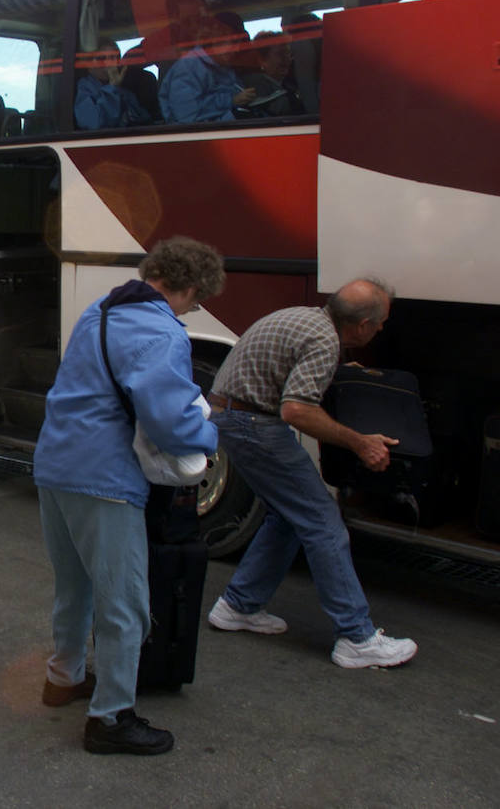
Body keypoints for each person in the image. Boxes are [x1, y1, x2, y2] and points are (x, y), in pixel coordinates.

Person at [34, 236, 225, 756]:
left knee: (74, 586)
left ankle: (65, 677)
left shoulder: (99, 311)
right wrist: (210, 436)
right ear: (188, 288)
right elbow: (171, 422)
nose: (191, 308)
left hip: (55, 464)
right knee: (125, 603)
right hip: (105, 477)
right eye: (196, 300)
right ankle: (111, 717)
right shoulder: (160, 330)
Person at [205, 278, 418, 669]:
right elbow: (296, 411)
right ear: (360, 326)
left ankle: (238, 606)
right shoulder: (325, 342)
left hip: (232, 415)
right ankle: (356, 637)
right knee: (323, 523)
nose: (382, 329)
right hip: (254, 424)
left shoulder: (308, 319)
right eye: (380, 322)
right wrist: (360, 442)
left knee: (289, 516)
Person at [159, 13, 256, 124]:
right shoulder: (188, 67)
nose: (236, 49)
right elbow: (187, 116)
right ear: (215, 38)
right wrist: (232, 101)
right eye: (232, 42)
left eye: (238, 44)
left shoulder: (223, 67)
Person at [74, 47, 153, 129]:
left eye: (113, 58)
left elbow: (144, 121)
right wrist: (112, 88)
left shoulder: (124, 91)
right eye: (101, 58)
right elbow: (93, 123)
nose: (108, 63)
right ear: (89, 64)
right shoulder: (84, 87)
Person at [239, 32, 305, 117]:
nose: (287, 59)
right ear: (262, 59)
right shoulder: (255, 87)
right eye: (280, 54)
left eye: (288, 53)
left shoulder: (290, 83)